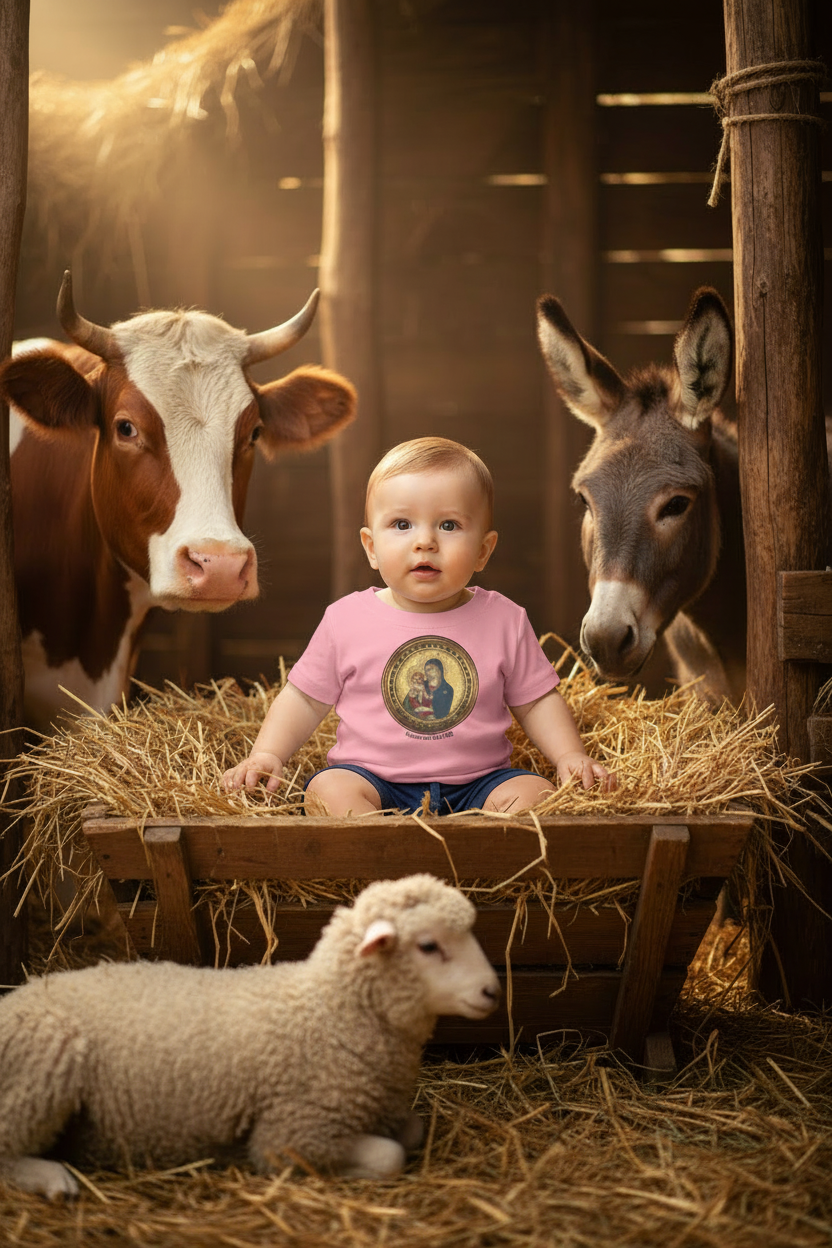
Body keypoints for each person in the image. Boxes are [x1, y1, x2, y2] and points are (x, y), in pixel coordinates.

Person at [222, 436, 615, 814]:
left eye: (448, 526)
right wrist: (267, 754)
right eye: (402, 524)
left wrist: (569, 755)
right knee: (328, 791)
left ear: (483, 550)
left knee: (535, 794)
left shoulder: (504, 619)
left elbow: (536, 701)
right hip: (372, 780)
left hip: (479, 783)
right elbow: (304, 699)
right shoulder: (346, 619)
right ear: (371, 547)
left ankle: (473, 858)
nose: (425, 541)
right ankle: (381, 851)